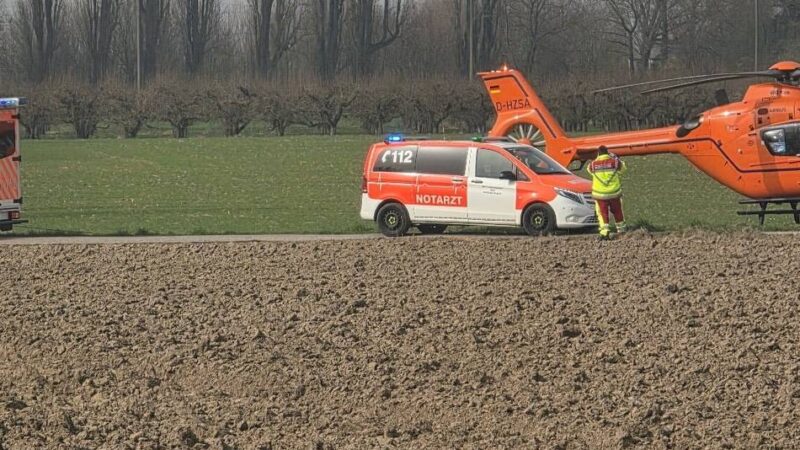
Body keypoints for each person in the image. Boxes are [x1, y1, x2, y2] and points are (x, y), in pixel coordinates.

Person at [587, 145, 627, 239]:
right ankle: (621, 231)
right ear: (607, 152)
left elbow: (589, 170)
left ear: (598, 153)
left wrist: (598, 159)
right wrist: (615, 158)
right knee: (617, 211)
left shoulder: (593, 165)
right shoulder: (615, 162)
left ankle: (605, 232)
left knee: (602, 213)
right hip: (614, 193)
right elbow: (624, 169)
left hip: (600, 195)